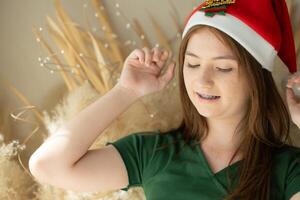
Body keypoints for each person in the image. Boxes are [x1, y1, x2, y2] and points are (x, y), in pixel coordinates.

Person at [28, 0, 300, 199]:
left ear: (256, 79)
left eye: (223, 68)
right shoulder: (153, 153)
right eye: (192, 64)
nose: (202, 80)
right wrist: (126, 91)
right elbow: (47, 165)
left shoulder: (287, 168)